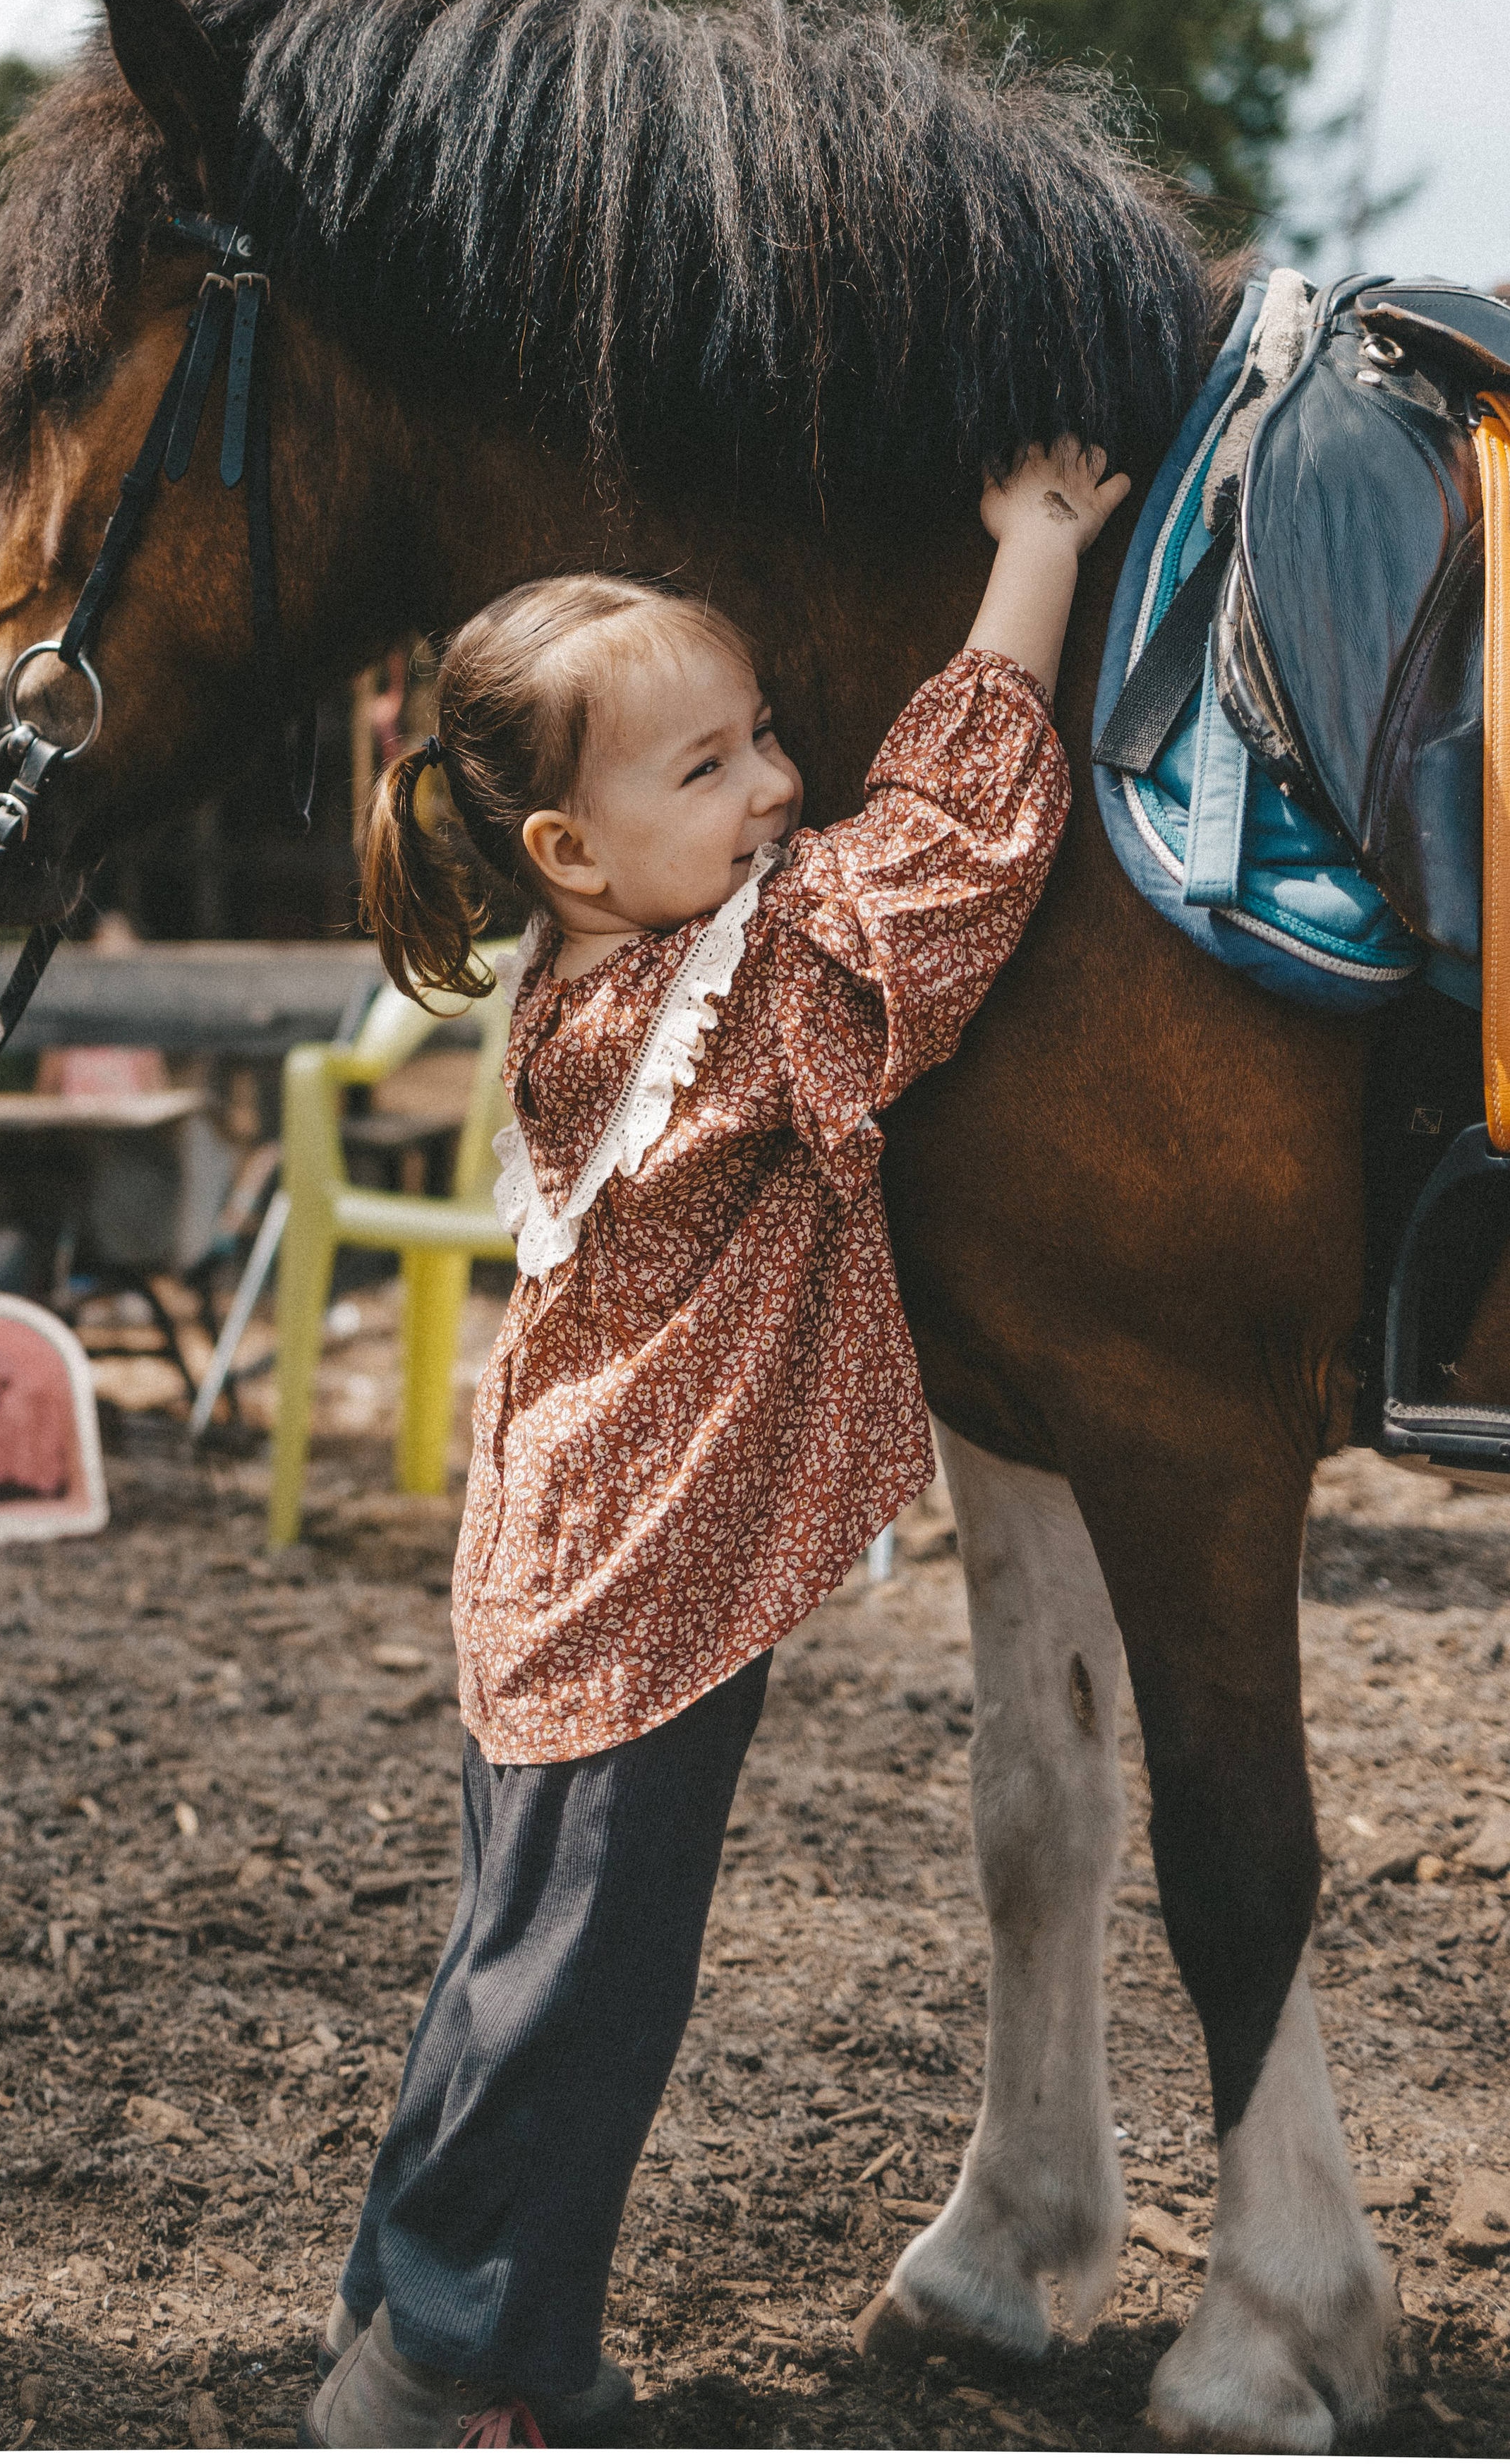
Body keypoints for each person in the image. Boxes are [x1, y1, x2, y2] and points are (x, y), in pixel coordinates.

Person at [309, 441, 1128, 2448]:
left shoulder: (583, 979)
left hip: (559, 1567)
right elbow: (950, 837)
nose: (775, 787)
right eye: (711, 768)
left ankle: (435, 2328)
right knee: (581, 1989)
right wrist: (1035, 548)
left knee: (515, 1960)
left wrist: (721, 771)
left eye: (765, 735)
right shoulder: (749, 989)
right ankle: (445, 2370)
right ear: (574, 854)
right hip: (644, 1588)